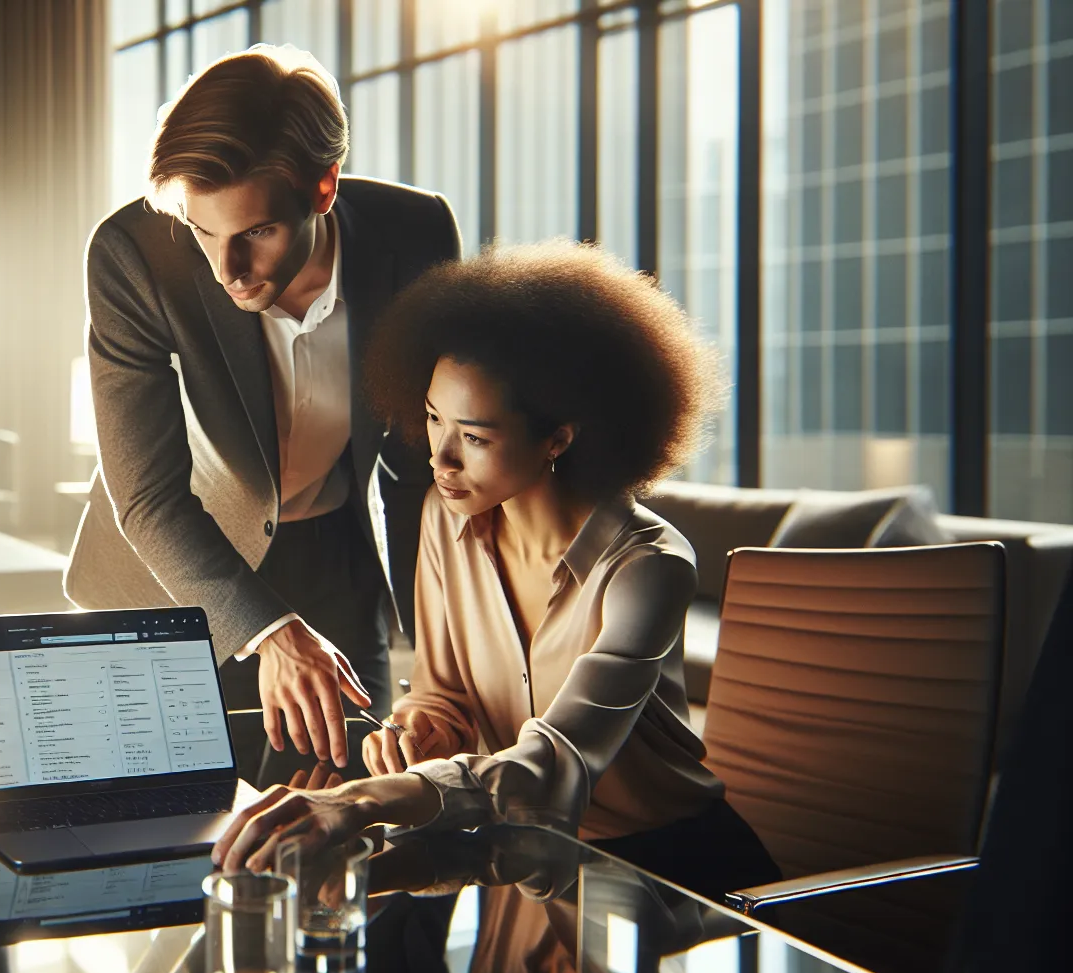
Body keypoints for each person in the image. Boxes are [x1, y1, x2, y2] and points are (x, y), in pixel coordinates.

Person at [214, 242, 781, 902]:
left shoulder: (647, 568)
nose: (441, 457)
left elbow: (556, 763)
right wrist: (422, 726)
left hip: (670, 878)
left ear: (558, 438)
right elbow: (445, 689)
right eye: (432, 419)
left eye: (475, 437)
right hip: (523, 864)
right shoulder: (443, 518)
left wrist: (363, 800)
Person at [64, 45, 462, 771]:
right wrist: (272, 629)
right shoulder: (132, 252)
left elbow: (425, 457)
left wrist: (445, 655)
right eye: (203, 231)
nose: (225, 270)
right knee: (173, 832)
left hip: (339, 565)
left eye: (255, 233)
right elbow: (149, 497)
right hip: (175, 577)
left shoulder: (417, 236)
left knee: (350, 817)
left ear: (323, 186)